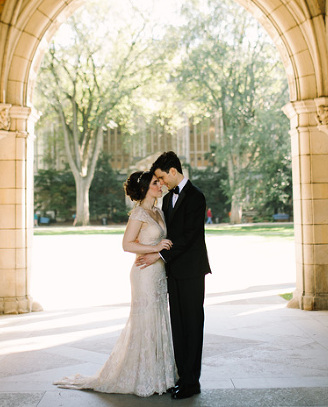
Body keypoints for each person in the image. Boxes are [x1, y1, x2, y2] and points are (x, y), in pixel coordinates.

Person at [54, 171, 178, 397]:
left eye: (159, 182)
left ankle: (161, 374)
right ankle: (144, 377)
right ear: (144, 189)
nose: (160, 185)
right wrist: (155, 248)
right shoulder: (139, 213)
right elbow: (127, 244)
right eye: (155, 183)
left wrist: (158, 254)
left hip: (158, 273)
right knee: (146, 321)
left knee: (158, 318)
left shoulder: (158, 211)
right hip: (143, 274)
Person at [136, 151, 211, 400]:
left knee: (192, 325)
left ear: (173, 171)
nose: (161, 182)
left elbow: (188, 237)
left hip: (191, 272)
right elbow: (165, 236)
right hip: (173, 273)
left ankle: (192, 382)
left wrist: (159, 256)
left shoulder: (196, 197)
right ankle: (182, 377)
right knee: (177, 327)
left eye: (161, 177)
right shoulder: (167, 201)